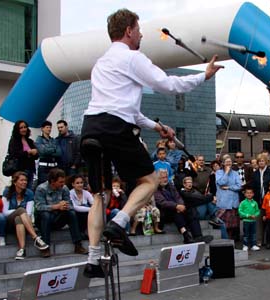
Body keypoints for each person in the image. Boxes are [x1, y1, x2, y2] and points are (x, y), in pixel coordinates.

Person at [80, 7, 223, 279]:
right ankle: (120, 223)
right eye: (139, 29)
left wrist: (158, 126)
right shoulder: (133, 58)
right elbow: (167, 85)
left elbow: (128, 109)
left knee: (99, 196)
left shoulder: (101, 63)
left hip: (91, 128)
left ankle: (93, 259)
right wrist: (203, 76)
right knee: (150, 181)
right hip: (116, 127)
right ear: (129, 31)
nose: (142, 34)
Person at [34, 168, 87, 257]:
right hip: (43, 220)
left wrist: (65, 206)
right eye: (60, 182)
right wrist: (57, 206)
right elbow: (39, 207)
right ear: (52, 181)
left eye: (63, 181)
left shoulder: (64, 188)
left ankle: (78, 244)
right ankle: (45, 247)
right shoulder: (41, 189)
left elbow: (70, 204)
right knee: (45, 215)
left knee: (71, 213)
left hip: (57, 218)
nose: (63, 184)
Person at [2, 171, 48, 260]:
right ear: (15, 182)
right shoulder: (7, 191)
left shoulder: (29, 193)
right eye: (22, 180)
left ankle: (22, 249)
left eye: (26, 180)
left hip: (23, 221)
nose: (24, 182)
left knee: (19, 218)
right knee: (21, 211)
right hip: (9, 221)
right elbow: (4, 212)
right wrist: (17, 211)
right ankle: (35, 238)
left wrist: (20, 213)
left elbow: (29, 213)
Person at [154, 169, 209, 244]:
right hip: (165, 212)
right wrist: (176, 206)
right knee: (176, 213)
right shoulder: (155, 188)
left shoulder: (170, 185)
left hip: (177, 208)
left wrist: (181, 205)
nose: (165, 179)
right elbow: (162, 202)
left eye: (166, 177)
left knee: (191, 209)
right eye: (163, 177)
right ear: (158, 179)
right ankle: (186, 235)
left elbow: (178, 197)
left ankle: (198, 236)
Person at [252, 153, 270, 246]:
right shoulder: (255, 174)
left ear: (266, 162)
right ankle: (259, 240)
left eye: (263, 161)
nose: (261, 162)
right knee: (259, 221)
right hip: (258, 200)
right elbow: (253, 186)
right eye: (259, 161)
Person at [215, 155, 242, 240]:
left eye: (230, 162)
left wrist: (228, 187)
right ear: (223, 163)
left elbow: (239, 186)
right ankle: (224, 241)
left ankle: (231, 243)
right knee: (223, 225)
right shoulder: (218, 173)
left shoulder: (235, 173)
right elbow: (221, 182)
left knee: (233, 226)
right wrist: (226, 173)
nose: (228, 163)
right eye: (227, 162)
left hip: (233, 202)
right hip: (223, 203)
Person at [7, 120, 38, 189]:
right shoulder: (14, 141)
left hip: (30, 168)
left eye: (25, 127)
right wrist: (28, 152)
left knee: (29, 189)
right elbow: (14, 154)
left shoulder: (29, 141)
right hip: (19, 169)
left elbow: (36, 156)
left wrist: (35, 152)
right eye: (21, 128)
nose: (23, 129)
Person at [35, 121, 62, 186]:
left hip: (54, 167)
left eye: (50, 127)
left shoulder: (53, 140)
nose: (49, 129)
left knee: (54, 185)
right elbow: (42, 151)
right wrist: (53, 149)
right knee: (43, 186)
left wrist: (47, 150)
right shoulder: (39, 139)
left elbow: (59, 153)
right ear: (42, 128)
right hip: (44, 168)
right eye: (47, 127)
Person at [238, 186, 260, 251]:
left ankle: (253, 245)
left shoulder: (255, 202)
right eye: (247, 193)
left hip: (253, 221)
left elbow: (257, 211)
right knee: (246, 234)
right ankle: (245, 245)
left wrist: (255, 215)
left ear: (253, 194)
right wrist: (247, 215)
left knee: (253, 234)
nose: (249, 194)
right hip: (246, 221)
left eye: (250, 193)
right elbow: (240, 211)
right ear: (245, 194)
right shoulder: (243, 203)